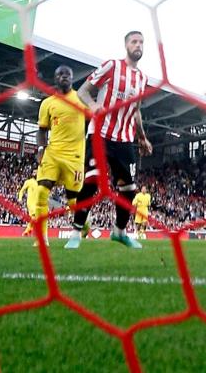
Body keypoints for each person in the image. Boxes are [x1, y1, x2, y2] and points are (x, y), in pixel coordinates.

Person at [67, 31, 152, 250]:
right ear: (126, 45)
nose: (138, 45)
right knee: (92, 181)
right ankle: (76, 232)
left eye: (141, 42)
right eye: (134, 41)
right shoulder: (112, 66)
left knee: (129, 189)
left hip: (125, 140)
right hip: (101, 134)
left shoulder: (142, 79)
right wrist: (94, 105)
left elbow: (137, 111)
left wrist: (142, 137)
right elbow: (83, 91)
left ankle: (119, 232)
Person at [34, 65, 87, 247]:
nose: (64, 76)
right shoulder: (47, 103)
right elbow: (41, 130)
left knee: (73, 199)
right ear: (55, 79)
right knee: (41, 192)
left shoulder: (81, 99)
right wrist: (40, 150)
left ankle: (84, 227)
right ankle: (42, 238)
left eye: (68, 74)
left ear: (72, 78)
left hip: (74, 157)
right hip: (53, 153)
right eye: (60, 74)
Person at [18, 172, 38, 237]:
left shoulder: (39, 183)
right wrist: (20, 198)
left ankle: (28, 231)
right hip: (31, 203)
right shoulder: (28, 182)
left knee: (34, 218)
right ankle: (28, 231)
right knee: (34, 217)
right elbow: (22, 190)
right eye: (34, 172)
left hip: (37, 203)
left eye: (36, 172)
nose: (35, 173)